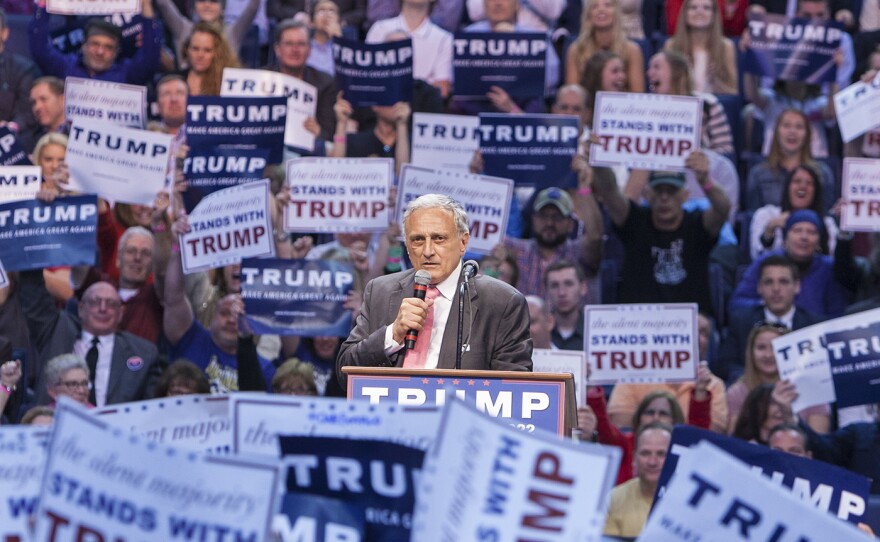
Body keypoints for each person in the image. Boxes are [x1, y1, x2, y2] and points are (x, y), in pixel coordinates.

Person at [337, 194, 533, 375]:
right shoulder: (380, 291)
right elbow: (345, 372)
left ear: (463, 242)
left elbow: (514, 390)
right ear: (407, 246)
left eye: (439, 238)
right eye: (418, 240)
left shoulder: (502, 302)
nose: (428, 250)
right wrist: (393, 334)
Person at [592, 155, 731, 313]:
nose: (664, 198)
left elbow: (723, 208)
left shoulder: (697, 226)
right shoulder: (634, 222)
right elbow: (609, 191)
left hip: (689, 324)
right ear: (647, 194)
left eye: (671, 191)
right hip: (638, 325)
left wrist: (706, 182)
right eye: (658, 190)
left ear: (685, 196)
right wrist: (599, 158)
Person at [164, 214, 277, 393]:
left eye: (239, 317)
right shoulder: (193, 339)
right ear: (213, 316)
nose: (232, 321)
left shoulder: (264, 369)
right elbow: (173, 298)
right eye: (225, 313)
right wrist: (178, 248)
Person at [19, 270, 163, 407]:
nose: (103, 308)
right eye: (95, 302)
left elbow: (151, 410)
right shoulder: (57, 329)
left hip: (114, 428)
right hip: (54, 425)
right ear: (80, 309)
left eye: (111, 304)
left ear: (121, 313)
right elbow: (32, 294)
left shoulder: (143, 352)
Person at [580, 383, 711, 483]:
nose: (655, 418)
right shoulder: (626, 444)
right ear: (639, 418)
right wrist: (591, 390)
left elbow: (698, 430)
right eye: (650, 412)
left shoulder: (683, 448)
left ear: (675, 419)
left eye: (663, 414)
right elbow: (604, 428)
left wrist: (700, 393)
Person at [730, 210, 850, 318]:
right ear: (785, 239)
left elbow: (837, 314)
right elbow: (737, 304)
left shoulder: (828, 268)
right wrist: (769, 306)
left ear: (819, 242)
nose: (804, 237)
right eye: (797, 230)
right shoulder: (767, 262)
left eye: (811, 232)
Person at [718, 255, 819, 381]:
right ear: (759, 287)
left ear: (797, 286)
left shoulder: (814, 326)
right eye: (768, 282)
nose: (776, 289)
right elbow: (725, 366)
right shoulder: (741, 321)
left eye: (783, 281)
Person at [494, 185, 602, 300]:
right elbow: (484, 238)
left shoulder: (579, 252)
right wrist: (475, 177)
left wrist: (584, 187)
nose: (549, 223)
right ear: (533, 219)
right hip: (526, 317)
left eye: (557, 217)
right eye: (543, 216)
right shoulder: (516, 250)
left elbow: (595, 237)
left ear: (570, 224)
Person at [726, 323, 830, 433]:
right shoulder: (736, 392)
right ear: (751, 353)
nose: (768, 355)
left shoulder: (813, 391)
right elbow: (733, 442)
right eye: (761, 347)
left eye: (776, 348)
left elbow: (819, 443)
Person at [29, 0, 162, 85]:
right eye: (94, 44)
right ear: (84, 46)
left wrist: (146, 5)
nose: (100, 51)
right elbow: (39, 48)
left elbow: (150, 55)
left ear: (116, 52)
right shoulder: (66, 67)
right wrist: (43, 5)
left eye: (108, 47)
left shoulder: (127, 74)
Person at [644, 50, 734, 155]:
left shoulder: (707, 104)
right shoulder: (644, 106)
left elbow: (726, 150)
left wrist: (705, 159)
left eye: (656, 67)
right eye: (649, 68)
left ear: (676, 72)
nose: (649, 73)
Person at [744, 109, 836, 212]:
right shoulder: (758, 174)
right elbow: (752, 219)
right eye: (786, 126)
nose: (792, 131)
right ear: (776, 132)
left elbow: (828, 216)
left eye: (799, 127)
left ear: (807, 135)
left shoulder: (822, 173)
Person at [750, 163, 838, 260]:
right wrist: (770, 230)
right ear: (787, 187)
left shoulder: (826, 223)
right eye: (797, 181)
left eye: (809, 183)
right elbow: (757, 257)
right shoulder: (766, 215)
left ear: (816, 191)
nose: (803, 186)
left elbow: (833, 259)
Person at [365, 0, 452, 98]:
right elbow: (368, 80)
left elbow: (442, 90)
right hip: (382, 103)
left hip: (422, 108)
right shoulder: (379, 29)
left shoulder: (444, 39)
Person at [269, 18, 337, 140]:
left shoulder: (325, 83)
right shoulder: (260, 78)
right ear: (277, 49)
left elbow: (329, 134)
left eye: (301, 44)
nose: (295, 50)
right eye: (289, 44)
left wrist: (319, 132)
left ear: (309, 50)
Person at [603, 422, 673, 537]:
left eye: (661, 454)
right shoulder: (614, 498)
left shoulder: (690, 503)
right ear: (634, 458)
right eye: (645, 453)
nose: (652, 462)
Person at [565, 0, 645, 92]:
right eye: (595, 6)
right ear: (588, 14)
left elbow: (638, 95)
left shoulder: (632, 51)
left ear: (616, 12)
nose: (601, 10)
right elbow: (573, 95)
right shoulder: (576, 50)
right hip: (588, 105)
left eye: (607, 5)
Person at [153, 0, 259, 67]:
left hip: (222, 96)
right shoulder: (182, 28)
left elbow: (253, 8)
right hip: (188, 92)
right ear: (194, 6)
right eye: (202, 0)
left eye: (213, 1)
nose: (207, 5)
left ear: (222, 6)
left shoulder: (233, 32)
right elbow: (163, 3)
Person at [664, 0, 737, 94]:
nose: (699, 11)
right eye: (693, 7)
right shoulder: (671, 45)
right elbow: (664, 90)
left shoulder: (726, 46)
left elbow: (734, 93)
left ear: (714, 14)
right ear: (685, 13)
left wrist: (716, 84)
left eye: (706, 8)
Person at [0, 7, 38, 136]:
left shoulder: (23, 69)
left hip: (10, 141)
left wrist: (11, 127)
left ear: (4, 33)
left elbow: (27, 113)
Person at [180, 22, 241, 96]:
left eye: (207, 50)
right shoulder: (174, 79)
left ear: (217, 53)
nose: (200, 55)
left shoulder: (229, 83)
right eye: (195, 49)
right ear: (187, 50)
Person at [545, 260, 587, 350]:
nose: (561, 293)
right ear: (547, 290)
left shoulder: (593, 333)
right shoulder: (539, 332)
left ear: (583, 288)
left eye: (569, 284)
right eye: (554, 285)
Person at [26, 76, 66, 152]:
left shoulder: (79, 137)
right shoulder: (28, 140)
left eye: (43, 99)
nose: (37, 107)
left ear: (62, 100)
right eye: (34, 102)